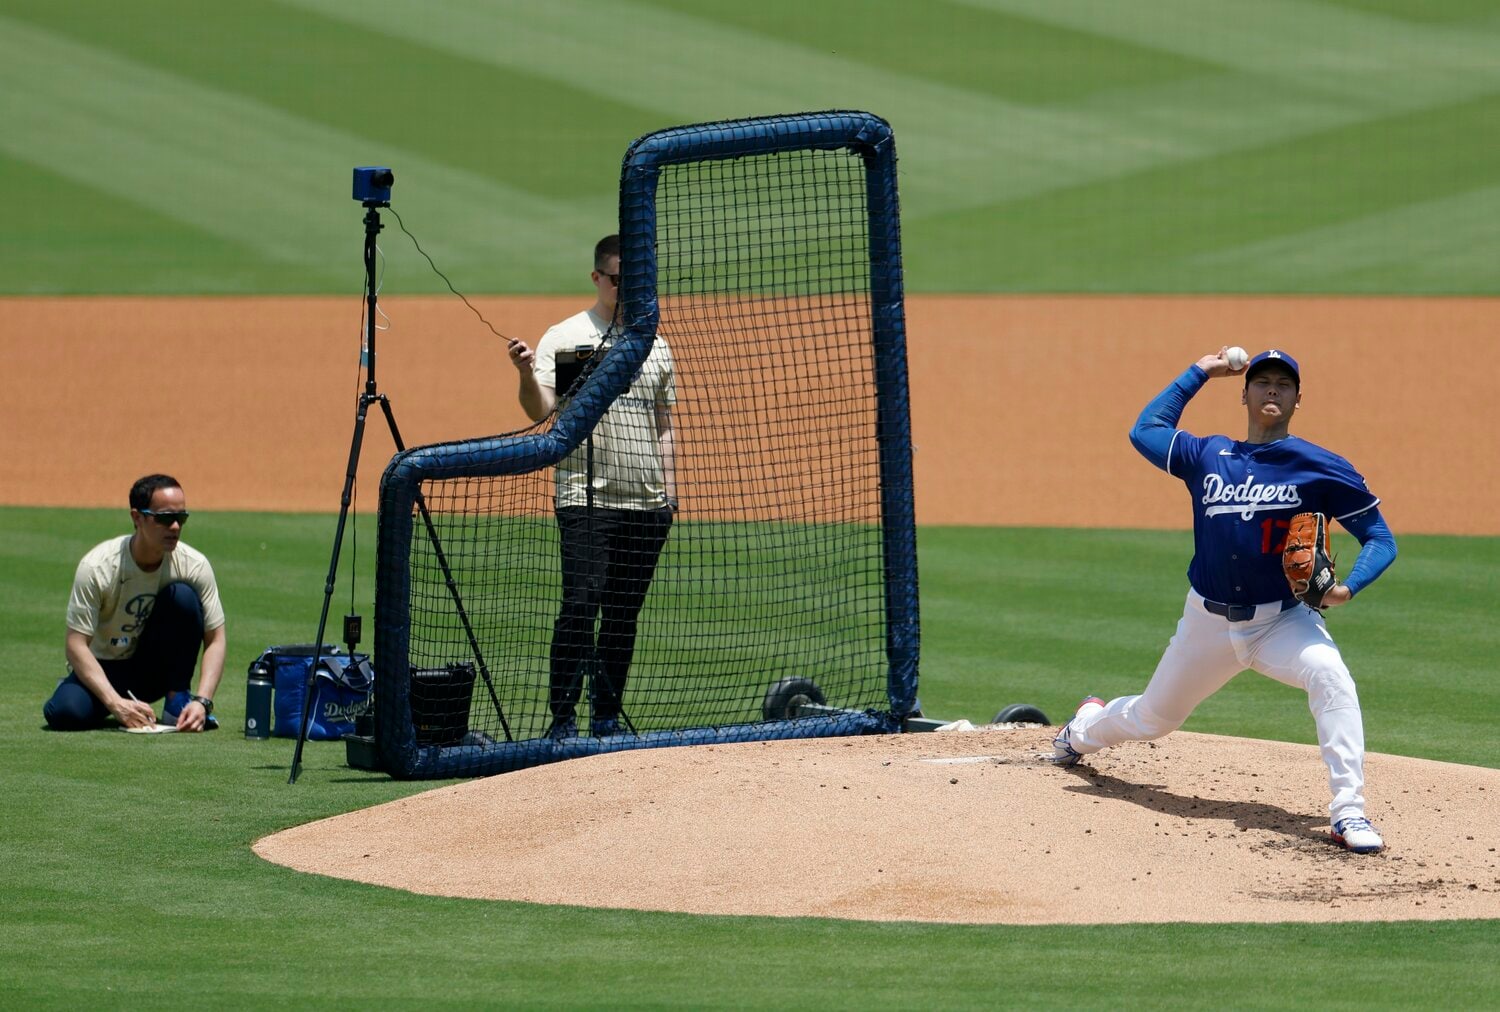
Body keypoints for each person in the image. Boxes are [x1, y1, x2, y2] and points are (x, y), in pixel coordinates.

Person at [1051, 348, 1398, 855]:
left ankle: (1349, 810)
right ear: (1245, 393)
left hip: (1282, 623)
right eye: (1262, 382)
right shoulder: (1208, 454)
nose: (1272, 389)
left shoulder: (1320, 466)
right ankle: (1081, 730)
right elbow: (1145, 431)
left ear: (1298, 399)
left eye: (1284, 383)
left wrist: (1348, 588)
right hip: (1206, 623)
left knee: (1331, 676)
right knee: (1153, 718)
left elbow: (1381, 540)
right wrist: (1201, 372)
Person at [506, 234, 676, 739]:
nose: (627, 288)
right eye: (618, 279)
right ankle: (562, 720)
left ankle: (606, 717)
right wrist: (524, 373)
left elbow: (664, 426)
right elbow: (540, 409)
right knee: (581, 605)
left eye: (636, 279)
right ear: (597, 278)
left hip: (646, 503)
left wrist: (670, 493)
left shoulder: (654, 344)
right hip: (586, 496)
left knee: (623, 615)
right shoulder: (570, 337)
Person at [44, 474, 227, 732]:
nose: (175, 526)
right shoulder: (97, 567)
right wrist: (115, 703)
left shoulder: (194, 565)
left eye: (181, 517)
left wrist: (203, 701)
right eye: (165, 518)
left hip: (152, 672)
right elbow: (75, 645)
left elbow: (216, 638)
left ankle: (178, 700)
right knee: (65, 713)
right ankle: (93, 695)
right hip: (103, 668)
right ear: (137, 517)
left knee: (183, 597)